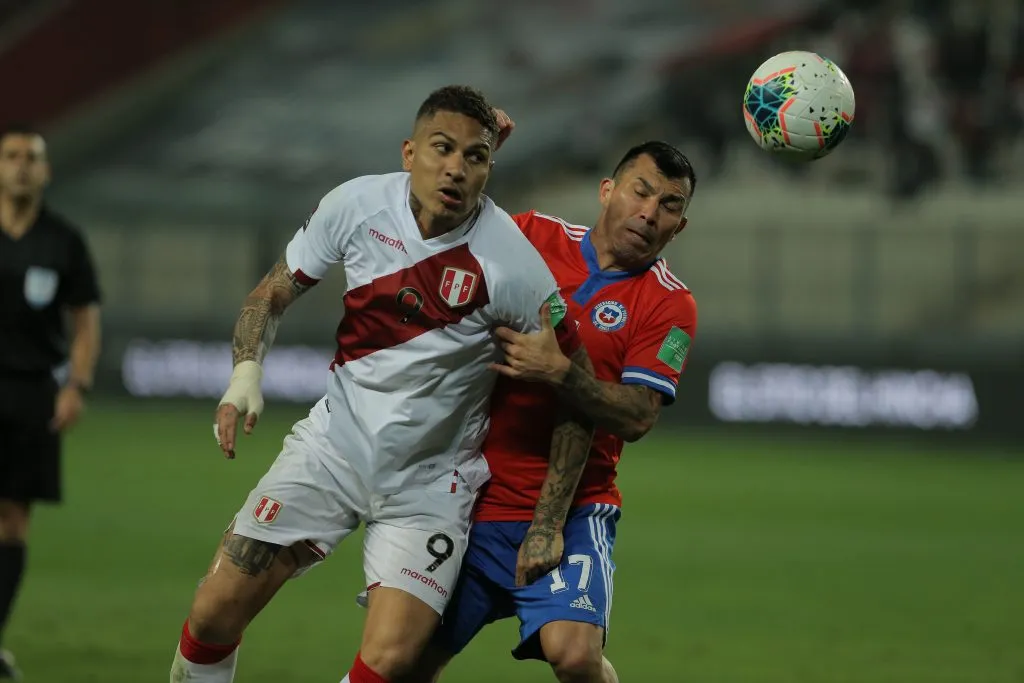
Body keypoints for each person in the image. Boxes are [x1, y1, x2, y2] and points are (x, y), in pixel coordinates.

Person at [168, 85, 594, 683]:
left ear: (489, 170)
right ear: (408, 152)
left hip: (429, 486)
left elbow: (578, 386)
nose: (456, 168)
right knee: (213, 613)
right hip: (331, 451)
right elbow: (272, 294)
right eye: (442, 148)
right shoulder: (356, 206)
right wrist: (245, 374)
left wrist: (550, 516)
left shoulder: (515, 267)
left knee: (391, 661)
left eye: (475, 157)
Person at [415, 140, 699, 683]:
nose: (649, 212)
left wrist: (562, 373)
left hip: (575, 508)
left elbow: (638, 416)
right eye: (640, 191)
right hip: (469, 497)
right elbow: (444, 234)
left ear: (678, 227)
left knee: (574, 654)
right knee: (402, 660)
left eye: (669, 205)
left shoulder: (670, 303)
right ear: (607, 190)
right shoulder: (532, 235)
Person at [0, 125, 102, 680]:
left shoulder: (62, 240)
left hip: (30, 390)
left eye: (30, 157)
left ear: (45, 171)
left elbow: (85, 320)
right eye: (11, 156)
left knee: (13, 519)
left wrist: (76, 385)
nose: (20, 165)